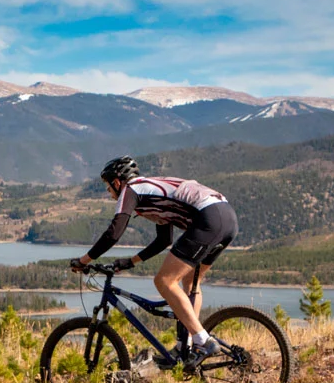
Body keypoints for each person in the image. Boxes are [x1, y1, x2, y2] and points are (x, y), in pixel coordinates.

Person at [70, 155, 239, 369]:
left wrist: (84, 261)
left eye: (107, 186)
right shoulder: (152, 192)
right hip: (226, 218)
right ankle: (186, 346)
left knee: (164, 281)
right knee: (189, 282)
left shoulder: (130, 190)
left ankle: (203, 341)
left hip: (209, 217)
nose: (108, 192)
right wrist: (131, 261)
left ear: (117, 181)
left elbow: (114, 232)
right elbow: (164, 240)